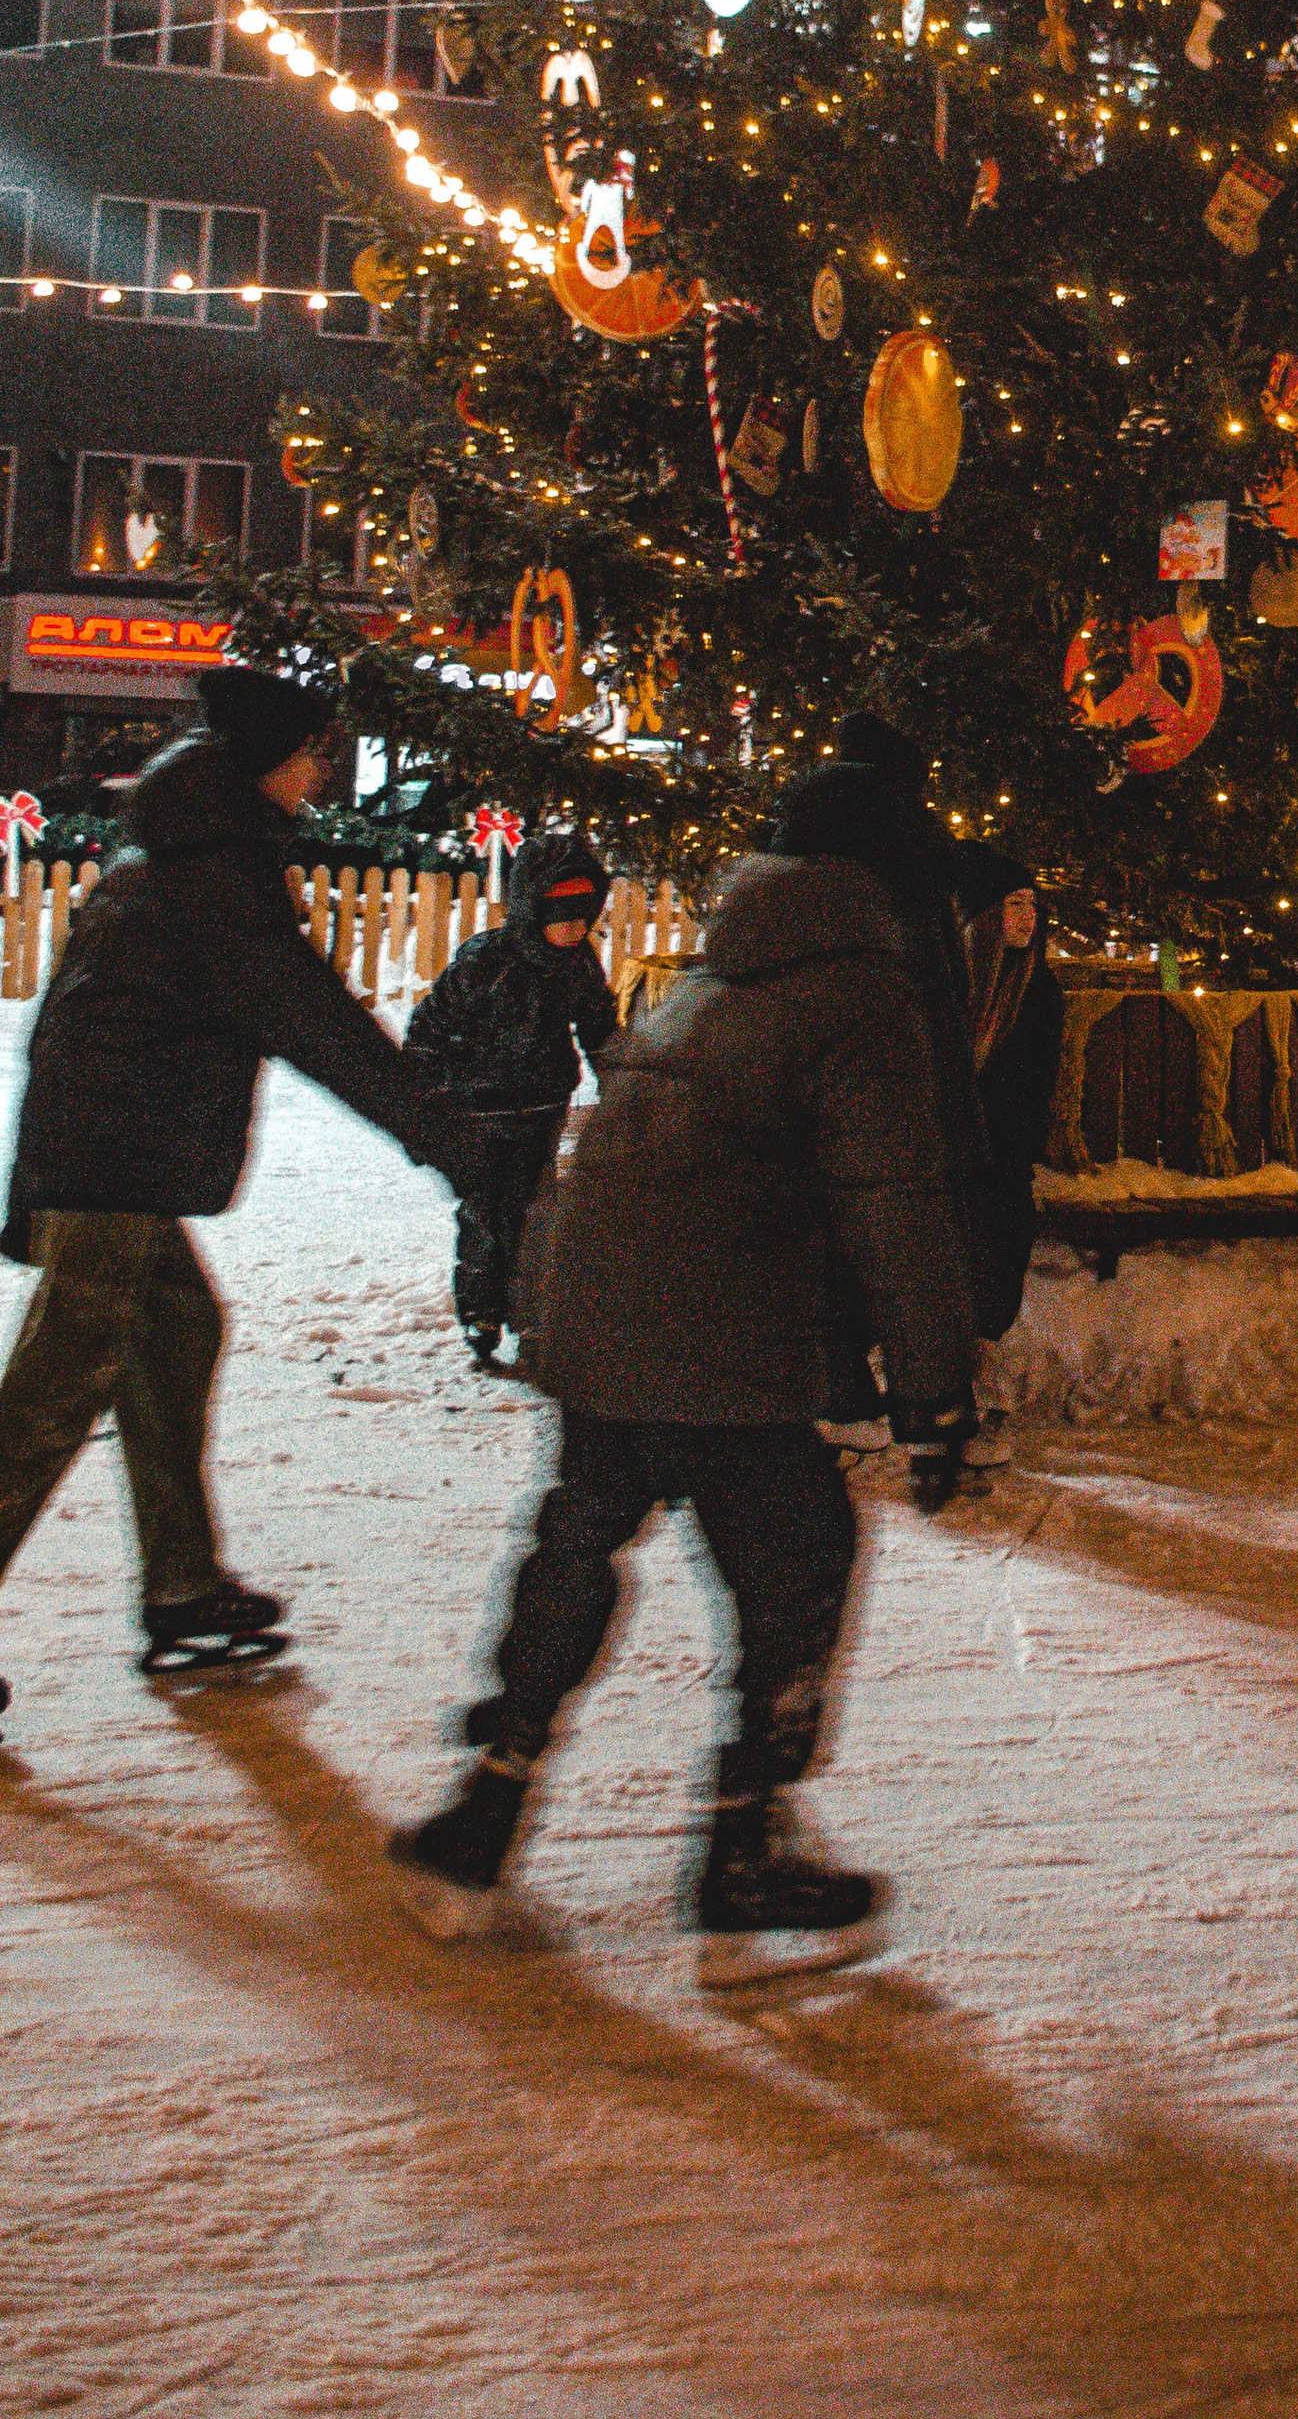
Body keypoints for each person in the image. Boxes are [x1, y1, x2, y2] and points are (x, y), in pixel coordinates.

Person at [390, 737, 985, 1965]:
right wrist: (933, 1393)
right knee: (802, 1551)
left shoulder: (723, 970)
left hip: (596, 1299)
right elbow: (893, 1198)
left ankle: (487, 1801)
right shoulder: (858, 992)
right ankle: (743, 1840)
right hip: (712, 1324)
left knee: (581, 1531)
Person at [0, 667, 475, 1712]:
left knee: (176, 1332)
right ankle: (180, 1585)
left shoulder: (179, 843)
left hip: (105, 1148)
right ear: (268, 758)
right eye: (314, 752)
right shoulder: (211, 867)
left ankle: (181, 1586)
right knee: (51, 1392)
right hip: (111, 1161)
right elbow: (311, 1019)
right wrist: (447, 1138)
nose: (321, 772)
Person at [405, 828, 620, 1367]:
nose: (573, 928)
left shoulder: (578, 963)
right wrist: (421, 1105)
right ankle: (481, 1311)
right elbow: (431, 1030)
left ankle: (530, 1315)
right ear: (531, 908)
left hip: (544, 1106)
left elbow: (598, 1027)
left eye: (583, 914)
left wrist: (620, 1086)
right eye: (560, 914)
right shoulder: (487, 963)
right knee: (487, 1214)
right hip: (481, 1111)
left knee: (537, 1212)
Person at [952, 840, 1064, 1341]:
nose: (1027, 918)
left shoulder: (1038, 990)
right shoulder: (951, 987)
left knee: (999, 1227)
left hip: (1001, 1154)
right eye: (1014, 905)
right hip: (944, 1151)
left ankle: (982, 1349)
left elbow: (1035, 1086)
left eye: (1032, 905)